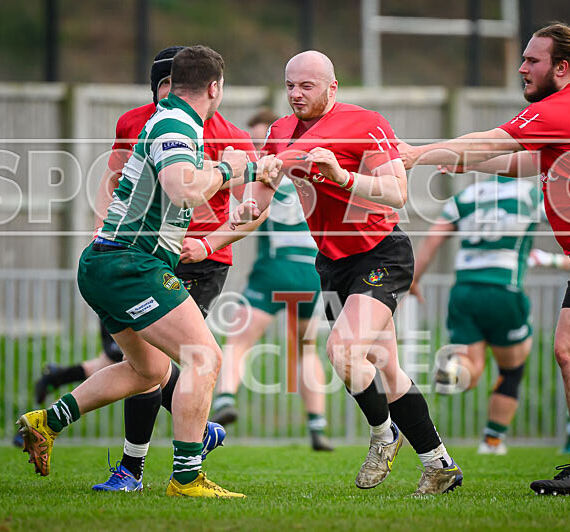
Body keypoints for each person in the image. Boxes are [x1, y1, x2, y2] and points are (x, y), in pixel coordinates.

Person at [399, 23, 570, 495]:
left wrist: (416, 153)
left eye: (532, 61)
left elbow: (495, 140)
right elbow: (520, 162)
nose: (522, 68)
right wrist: (463, 161)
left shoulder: (564, 105)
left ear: (561, 68)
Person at [17, 45, 281, 499]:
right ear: (215, 88)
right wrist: (228, 167)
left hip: (112, 262)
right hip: (131, 265)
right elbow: (183, 189)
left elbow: (200, 184)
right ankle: (185, 476)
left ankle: (46, 421)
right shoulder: (177, 123)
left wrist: (259, 170)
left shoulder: (173, 121)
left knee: (149, 370)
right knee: (205, 357)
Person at [234, 50, 462, 496]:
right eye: (290, 86)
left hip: (381, 253)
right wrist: (248, 205)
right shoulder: (280, 131)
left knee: (342, 350)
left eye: (307, 86)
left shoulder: (365, 122)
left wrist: (340, 176)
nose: (296, 94)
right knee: (386, 365)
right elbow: (262, 191)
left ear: (332, 88)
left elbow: (397, 192)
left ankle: (384, 435)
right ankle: (439, 464)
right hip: (333, 263)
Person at [210, 110, 334, 452]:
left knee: (237, 341)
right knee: (305, 349)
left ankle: (225, 399)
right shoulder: (310, 167)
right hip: (312, 270)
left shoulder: (262, 174)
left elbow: (239, 204)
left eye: (258, 138)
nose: (254, 145)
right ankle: (317, 426)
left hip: (275, 269)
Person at [409, 172, 543, 455]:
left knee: (472, 365)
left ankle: (453, 367)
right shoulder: (530, 193)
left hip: (464, 290)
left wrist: (414, 278)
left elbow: (434, 238)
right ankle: (492, 441)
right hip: (504, 288)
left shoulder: (465, 196)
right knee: (511, 371)